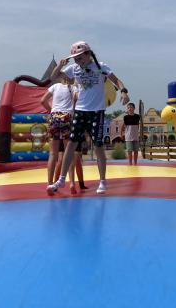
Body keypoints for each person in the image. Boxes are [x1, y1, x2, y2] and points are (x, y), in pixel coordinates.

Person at [47, 41, 130, 195]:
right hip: (80, 110)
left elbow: (116, 80)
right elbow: (54, 76)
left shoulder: (100, 66)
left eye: (80, 57)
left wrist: (124, 92)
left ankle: (102, 181)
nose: (78, 61)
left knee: (98, 146)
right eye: (75, 58)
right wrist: (59, 65)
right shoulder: (74, 68)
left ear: (88, 54)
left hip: (96, 111)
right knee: (71, 144)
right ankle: (62, 179)